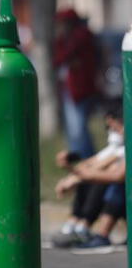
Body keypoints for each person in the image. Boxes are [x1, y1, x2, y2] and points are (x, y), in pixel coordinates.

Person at [52, 106, 125, 251]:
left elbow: (116, 175)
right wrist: (72, 175)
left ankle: (93, 230)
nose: (112, 132)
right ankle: (76, 224)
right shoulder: (118, 145)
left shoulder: (125, 146)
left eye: (113, 126)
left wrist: (72, 173)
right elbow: (95, 163)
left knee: (106, 182)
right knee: (92, 178)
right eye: (107, 127)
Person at [54, 9, 99, 159]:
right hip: (70, 88)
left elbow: (67, 55)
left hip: (81, 90)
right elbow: (59, 59)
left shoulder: (81, 35)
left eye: (62, 23)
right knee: (73, 129)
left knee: (79, 128)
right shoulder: (65, 38)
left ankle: (87, 157)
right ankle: (78, 157)